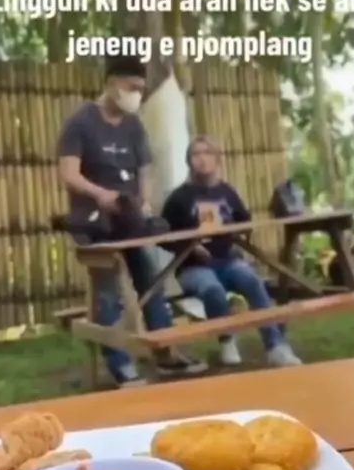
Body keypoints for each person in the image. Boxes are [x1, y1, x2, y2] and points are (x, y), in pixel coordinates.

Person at [57, 56, 205, 385]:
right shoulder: (80, 123)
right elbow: (69, 174)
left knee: (150, 281)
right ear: (112, 84)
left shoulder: (134, 126)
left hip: (130, 219)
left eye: (141, 89)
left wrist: (143, 201)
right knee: (107, 292)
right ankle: (120, 364)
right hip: (94, 221)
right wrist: (101, 195)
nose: (136, 94)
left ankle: (165, 351)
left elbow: (144, 169)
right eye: (132, 87)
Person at [161, 135, 302, 369]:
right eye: (196, 154)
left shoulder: (227, 192)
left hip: (227, 260)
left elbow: (244, 220)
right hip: (193, 266)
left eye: (207, 153)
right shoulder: (178, 198)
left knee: (253, 282)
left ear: (217, 160)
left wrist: (241, 235)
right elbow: (162, 235)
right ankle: (226, 340)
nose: (202, 159)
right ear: (188, 161)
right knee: (213, 289)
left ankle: (275, 346)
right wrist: (189, 246)